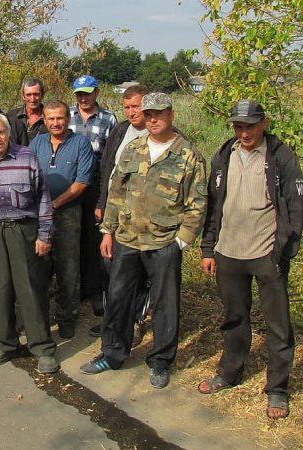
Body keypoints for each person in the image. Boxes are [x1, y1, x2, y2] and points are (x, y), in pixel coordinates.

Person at [80, 93, 207, 390]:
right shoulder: (133, 149)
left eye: (158, 113)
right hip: (127, 238)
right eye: (148, 114)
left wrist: (180, 242)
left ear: (171, 114)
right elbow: (116, 193)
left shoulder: (188, 155)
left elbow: (198, 204)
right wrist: (108, 232)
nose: (152, 119)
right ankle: (112, 354)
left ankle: (160, 360)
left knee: (164, 304)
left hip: (163, 243)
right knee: (118, 298)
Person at [197, 100, 303, 420]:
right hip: (229, 251)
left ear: (264, 122)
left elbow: (297, 205)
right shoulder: (224, 155)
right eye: (238, 126)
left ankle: (278, 389)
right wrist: (208, 248)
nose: (244, 132)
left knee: (277, 324)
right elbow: (213, 205)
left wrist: (284, 249)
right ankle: (230, 373)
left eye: (250, 125)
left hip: (266, 253)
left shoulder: (281, 157)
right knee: (234, 318)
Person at [0, 112, 58, 374]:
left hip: (24, 230)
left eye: (0, 132)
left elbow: (43, 196)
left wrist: (44, 234)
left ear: (8, 133)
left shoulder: (27, 156)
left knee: (31, 289)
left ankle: (42, 347)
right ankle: (6, 343)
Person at [89, 84, 152, 341]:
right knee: (109, 262)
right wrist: (101, 202)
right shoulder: (120, 131)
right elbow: (107, 168)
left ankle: (135, 319)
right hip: (115, 211)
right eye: (126, 107)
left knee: (138, 270)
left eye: (135, 106)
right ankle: (112, 318)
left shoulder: (157, 133)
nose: (131, 112)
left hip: (145, 216)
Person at [29, 100, 94, 339]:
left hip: (68, 214)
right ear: (44, 121)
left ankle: (67, 317)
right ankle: (40, 318)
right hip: (38, 215)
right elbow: (29, 174)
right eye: (50, 119)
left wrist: (53, 204)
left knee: (68, 268)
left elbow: (82, 183)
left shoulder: (81, 144)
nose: (55, 123)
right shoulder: (36, 143)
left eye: (60, 118)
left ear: (68, 119)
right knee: (39, 267)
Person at [68, 75, 118, 312]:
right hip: (71, 182)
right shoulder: (67, 116)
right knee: (72, 237)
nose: (83, 98)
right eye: (79, 94)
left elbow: (111, 157)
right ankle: (76, 289)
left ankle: (97, 290)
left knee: (95, 237)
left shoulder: (108, 119)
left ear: (97, 93)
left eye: (87, 93)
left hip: (96, 182)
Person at [7, 78, 48, 142]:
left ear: (42, 95)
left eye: (36, 94)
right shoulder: (11, 116)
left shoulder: (50, 117)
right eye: (28, 95)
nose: (32, 99)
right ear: (23, 96)